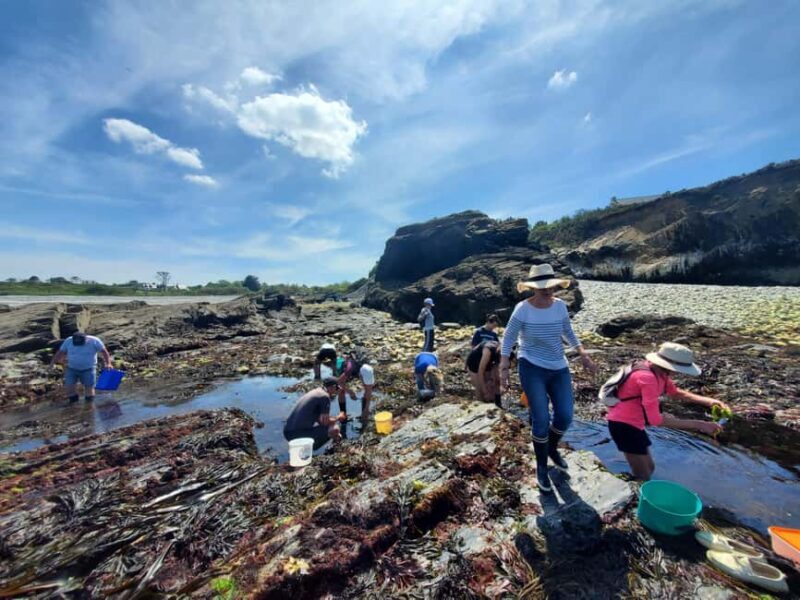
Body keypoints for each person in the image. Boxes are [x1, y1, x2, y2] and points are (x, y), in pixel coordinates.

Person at [499, 264, 597, 493]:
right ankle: (541, 467)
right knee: (541, 419)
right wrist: (503, 367)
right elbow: (509, 337)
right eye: (542, 287)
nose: (547, 290)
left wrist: (582, 353)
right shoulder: (522, 309)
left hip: (559, 367)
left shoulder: (560, 306)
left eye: (550, 286)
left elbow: (568, 331)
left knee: (564, 416)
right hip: (531, 366)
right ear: (533, 288)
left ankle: (551, 448)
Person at [605, 342, 729, 481]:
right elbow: (655, 421)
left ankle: (633, 485)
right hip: (624, 426)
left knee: (650, 468)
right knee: (643, 474)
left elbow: (676, 393)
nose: (678, 372)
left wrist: (708, 401)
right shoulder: (647, 378)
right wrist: (699, 425)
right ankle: (632, 496)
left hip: (634, 423)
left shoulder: (657, 371)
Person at [283, 377, 346, 450]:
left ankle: (307, 448)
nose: (338, 390)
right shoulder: (325, 397)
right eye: (337, 387)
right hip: (296, 435)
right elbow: (325, 423)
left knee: (335, 432)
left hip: (288, 433)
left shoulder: (317, 392)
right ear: (332, 387)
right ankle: (308, 449)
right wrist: (338, 417)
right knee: (335, 429)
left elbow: (320, 421)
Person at [50, 332, 112, 403]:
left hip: (89, 369)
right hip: (71, 368)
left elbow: (104, 352)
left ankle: (89, 408)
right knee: (70, 388)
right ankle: (73, 406)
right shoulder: (68, 341)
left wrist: (108, 363)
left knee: (89, 389)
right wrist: (52, 363)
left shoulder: (94, 341)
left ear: (86, 339)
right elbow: (60, 352)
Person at [336, 347, 375, 419]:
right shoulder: (350, 368)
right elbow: (339, 382)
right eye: (364, 382)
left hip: (354, 370)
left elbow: (368, 391)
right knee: (341, 391)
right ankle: (343, 413)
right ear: (361, 375)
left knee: (366, 390)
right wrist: (350, 392)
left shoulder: (368, 369)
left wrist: (366, 409)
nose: (364, 384)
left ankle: (364, 412)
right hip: (339, 368)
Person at [466, 340, 502, 407]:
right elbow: (480, 372)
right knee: (480, 388)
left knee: (491, 384)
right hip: (474, 364)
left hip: (488, 364)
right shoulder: (488, 350)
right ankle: (479, 406)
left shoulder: (504, 353)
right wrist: (485, 391)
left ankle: (494, 404)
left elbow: (497, 371)